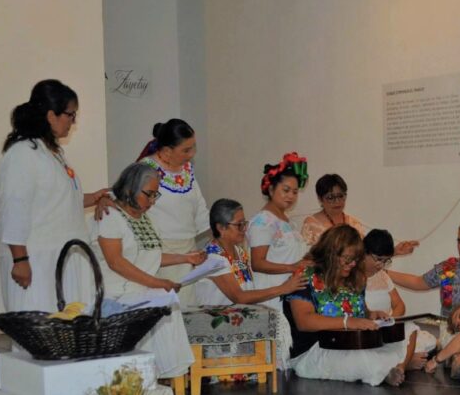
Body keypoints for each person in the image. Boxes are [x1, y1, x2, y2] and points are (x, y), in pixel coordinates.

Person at [0, 79, 111, 312]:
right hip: (37, 261)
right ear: (51, 115)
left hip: (62, 258)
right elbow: (14, 208)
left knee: (68, 325)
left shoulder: (53, 152)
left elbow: (60, 201)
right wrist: (20, 260)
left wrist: (95, 197)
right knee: (40, 326)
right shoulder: (23, 153)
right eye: (70, 115)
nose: (73, 122)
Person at [94, 162, 205, 378]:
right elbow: (116, 262)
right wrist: (158, 283)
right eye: (149, 194)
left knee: (166, 301)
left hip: (138, 292)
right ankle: (147, 374)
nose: (153, 201)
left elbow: (151, 257)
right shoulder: (109, 216)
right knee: (161, 298)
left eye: (156, 195)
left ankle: (159, 373)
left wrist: (185, 257)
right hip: (116, 296)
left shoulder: (145, 218)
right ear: (130, 189)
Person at [284, 225, 418, 386]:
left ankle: (390, 368)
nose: (352, 264)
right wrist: (347, 322)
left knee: (409, 329)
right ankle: (390, 367)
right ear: (331, 253)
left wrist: (372, 315)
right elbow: (304, 321)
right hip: (315, 351)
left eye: (355, 259)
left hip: (352, 343)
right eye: (347, 259)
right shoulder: (305, 276)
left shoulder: (354, 277)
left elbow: (361, 311)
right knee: (363, 358)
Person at [246, 152, 310, 368]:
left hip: (290, 291)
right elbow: (257, 262)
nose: (291, 196)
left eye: (295, 192)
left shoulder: (286, 221)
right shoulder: (262, 221)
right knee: (275, 355)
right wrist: (292, 267)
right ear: (271, 189)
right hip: (273, 293)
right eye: (285, 190)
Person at [137, 119, 210, 308]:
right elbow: (126, 202)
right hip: (161, 254)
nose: (192, 154)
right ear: (167, 151)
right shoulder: (146, 169)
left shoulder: (187, 169)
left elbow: (198, 205)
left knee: (188, 309)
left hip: (189, 250)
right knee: (167, 310)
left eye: (193, 148)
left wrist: (218, 233)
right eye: (186, 150)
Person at [196, 198, 307, 306]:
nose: (244, 229)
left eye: (244, 223)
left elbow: (248, 288)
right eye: (239, 225)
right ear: (221, 228)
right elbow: (239, 297)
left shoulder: (239, 251)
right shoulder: (212, 258)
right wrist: (283, 288)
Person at [363, 229, 436, 369]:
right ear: (364, 252)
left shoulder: (383, 275)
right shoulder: (352, 276)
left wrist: (389, 320)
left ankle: (400, 366)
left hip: (385, 328)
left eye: (386, 261)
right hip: (366, 329)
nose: (381, 265)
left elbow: (399, 305)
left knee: (415, 331)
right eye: (378, 259)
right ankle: (405, 362)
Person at [301, 173, 419, 254]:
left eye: (340, 196)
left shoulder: (353, 223)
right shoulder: (311, 223)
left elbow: (365, 257)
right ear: (320, 199)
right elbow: (307, 259)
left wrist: (394, 251)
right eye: (331, 197)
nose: (337, 201)